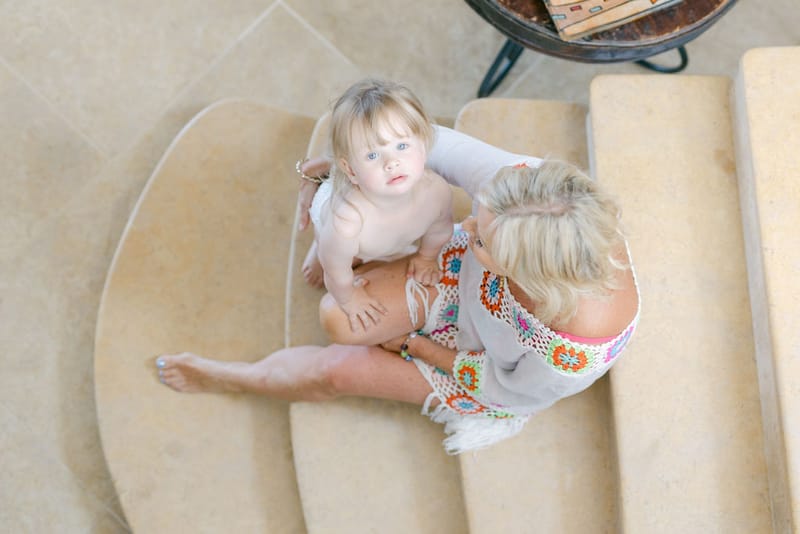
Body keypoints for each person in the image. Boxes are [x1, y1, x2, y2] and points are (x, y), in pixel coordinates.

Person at [156, 125, 640, 454]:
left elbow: (504, 388)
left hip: (483, 369)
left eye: (481, 237)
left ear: (528, 276)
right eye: (479, 214)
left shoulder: (570, 351)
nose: (467, 222)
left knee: (336, 371)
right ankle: (344, 240)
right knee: (339, 313)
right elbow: (425, 142)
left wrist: (416, 347)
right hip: (462, 281)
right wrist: (338, 175)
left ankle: (231, 378)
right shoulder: (529, 191)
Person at [298, 79, 453, 333]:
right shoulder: (346, 219)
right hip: (332, 220)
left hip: (383, 240)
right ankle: (318, 248)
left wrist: (426, 257)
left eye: (402, 146)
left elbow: (440, 229)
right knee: (335, 253)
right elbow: (336, 273)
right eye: (372, 155)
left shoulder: (436, 192)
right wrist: (349, 298)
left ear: (424, 146)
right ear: (351, 170)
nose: (391, 162)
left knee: (357, 250)